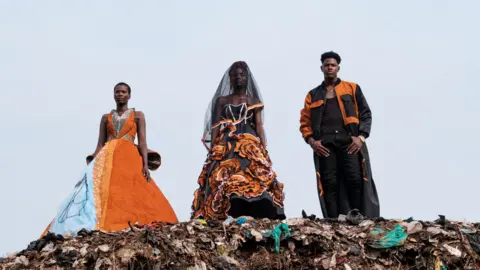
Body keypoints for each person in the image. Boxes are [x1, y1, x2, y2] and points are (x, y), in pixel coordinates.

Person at [41, 82, 178, 236]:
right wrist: (92, 164)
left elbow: (143, 142)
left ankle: (130, 221)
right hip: (107, 156)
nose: (120, 94)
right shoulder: (106, 118)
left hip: (129, 156)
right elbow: (100, 143)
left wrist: (145, 165)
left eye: (124, 92)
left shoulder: (138, 115)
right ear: (113, 95)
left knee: (131, 188)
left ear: (129, 95)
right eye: (117, 92)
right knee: (104, 190)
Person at [191, 61, 286, 221]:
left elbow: (259, 125)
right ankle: (223, 210)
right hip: (226, 141)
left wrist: (263, 147)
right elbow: (215, 126)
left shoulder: (253, 100)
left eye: (242, 75)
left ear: (247, 77)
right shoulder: (222, 100)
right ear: (230, 78)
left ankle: (256, 207)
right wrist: (213, 148)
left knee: (254, 171)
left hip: (248, 140)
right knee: (220, 173)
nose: (238, 78)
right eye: (235, 75)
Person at [299, 51, 380, 219]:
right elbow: (305, 123)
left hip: (349, 142)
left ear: (338, 68)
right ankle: (333, 219)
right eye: (327, 65)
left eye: (333, 65)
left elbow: (366, 114)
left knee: (355, 179)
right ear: (321, 68)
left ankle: (357, 215)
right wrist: (312, 142)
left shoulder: (352, 88)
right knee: (329, 183)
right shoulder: (312, 95)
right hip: (325, 146)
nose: (330, 68)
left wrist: (361, 137)